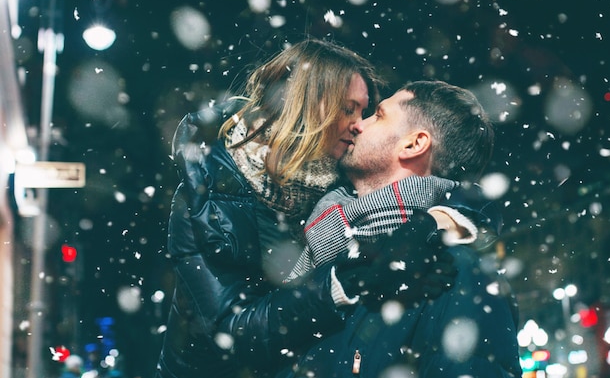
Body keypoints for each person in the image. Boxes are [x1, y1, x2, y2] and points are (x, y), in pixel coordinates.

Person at [155, 40, 460, 378]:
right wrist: (341, 285)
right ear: (307, 105)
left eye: (363, 111)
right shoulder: (207, 194)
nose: (359, 124)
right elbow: (227, 334)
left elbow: (436, 187)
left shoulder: (339, 187)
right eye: (348, 109)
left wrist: (444, 219)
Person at [280, 80, 522, 377]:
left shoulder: (454, 273)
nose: (358, 125)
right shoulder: (326, 252)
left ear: (413, 144)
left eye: (378, 115)